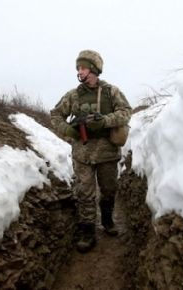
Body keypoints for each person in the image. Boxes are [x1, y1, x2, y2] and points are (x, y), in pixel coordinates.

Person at [50, 50, 132, 253]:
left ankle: (107, 220)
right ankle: (87, 231)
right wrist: (69, 131)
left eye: (83, 67)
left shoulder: (110, 92)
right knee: (85, 193)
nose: (80, 71)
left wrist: (105, 120)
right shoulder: (73, 95)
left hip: (107, 153)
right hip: (83, 153)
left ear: (94, 69)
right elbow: (55, 115)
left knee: (109, 190)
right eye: (78, 67)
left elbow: (126, 112)